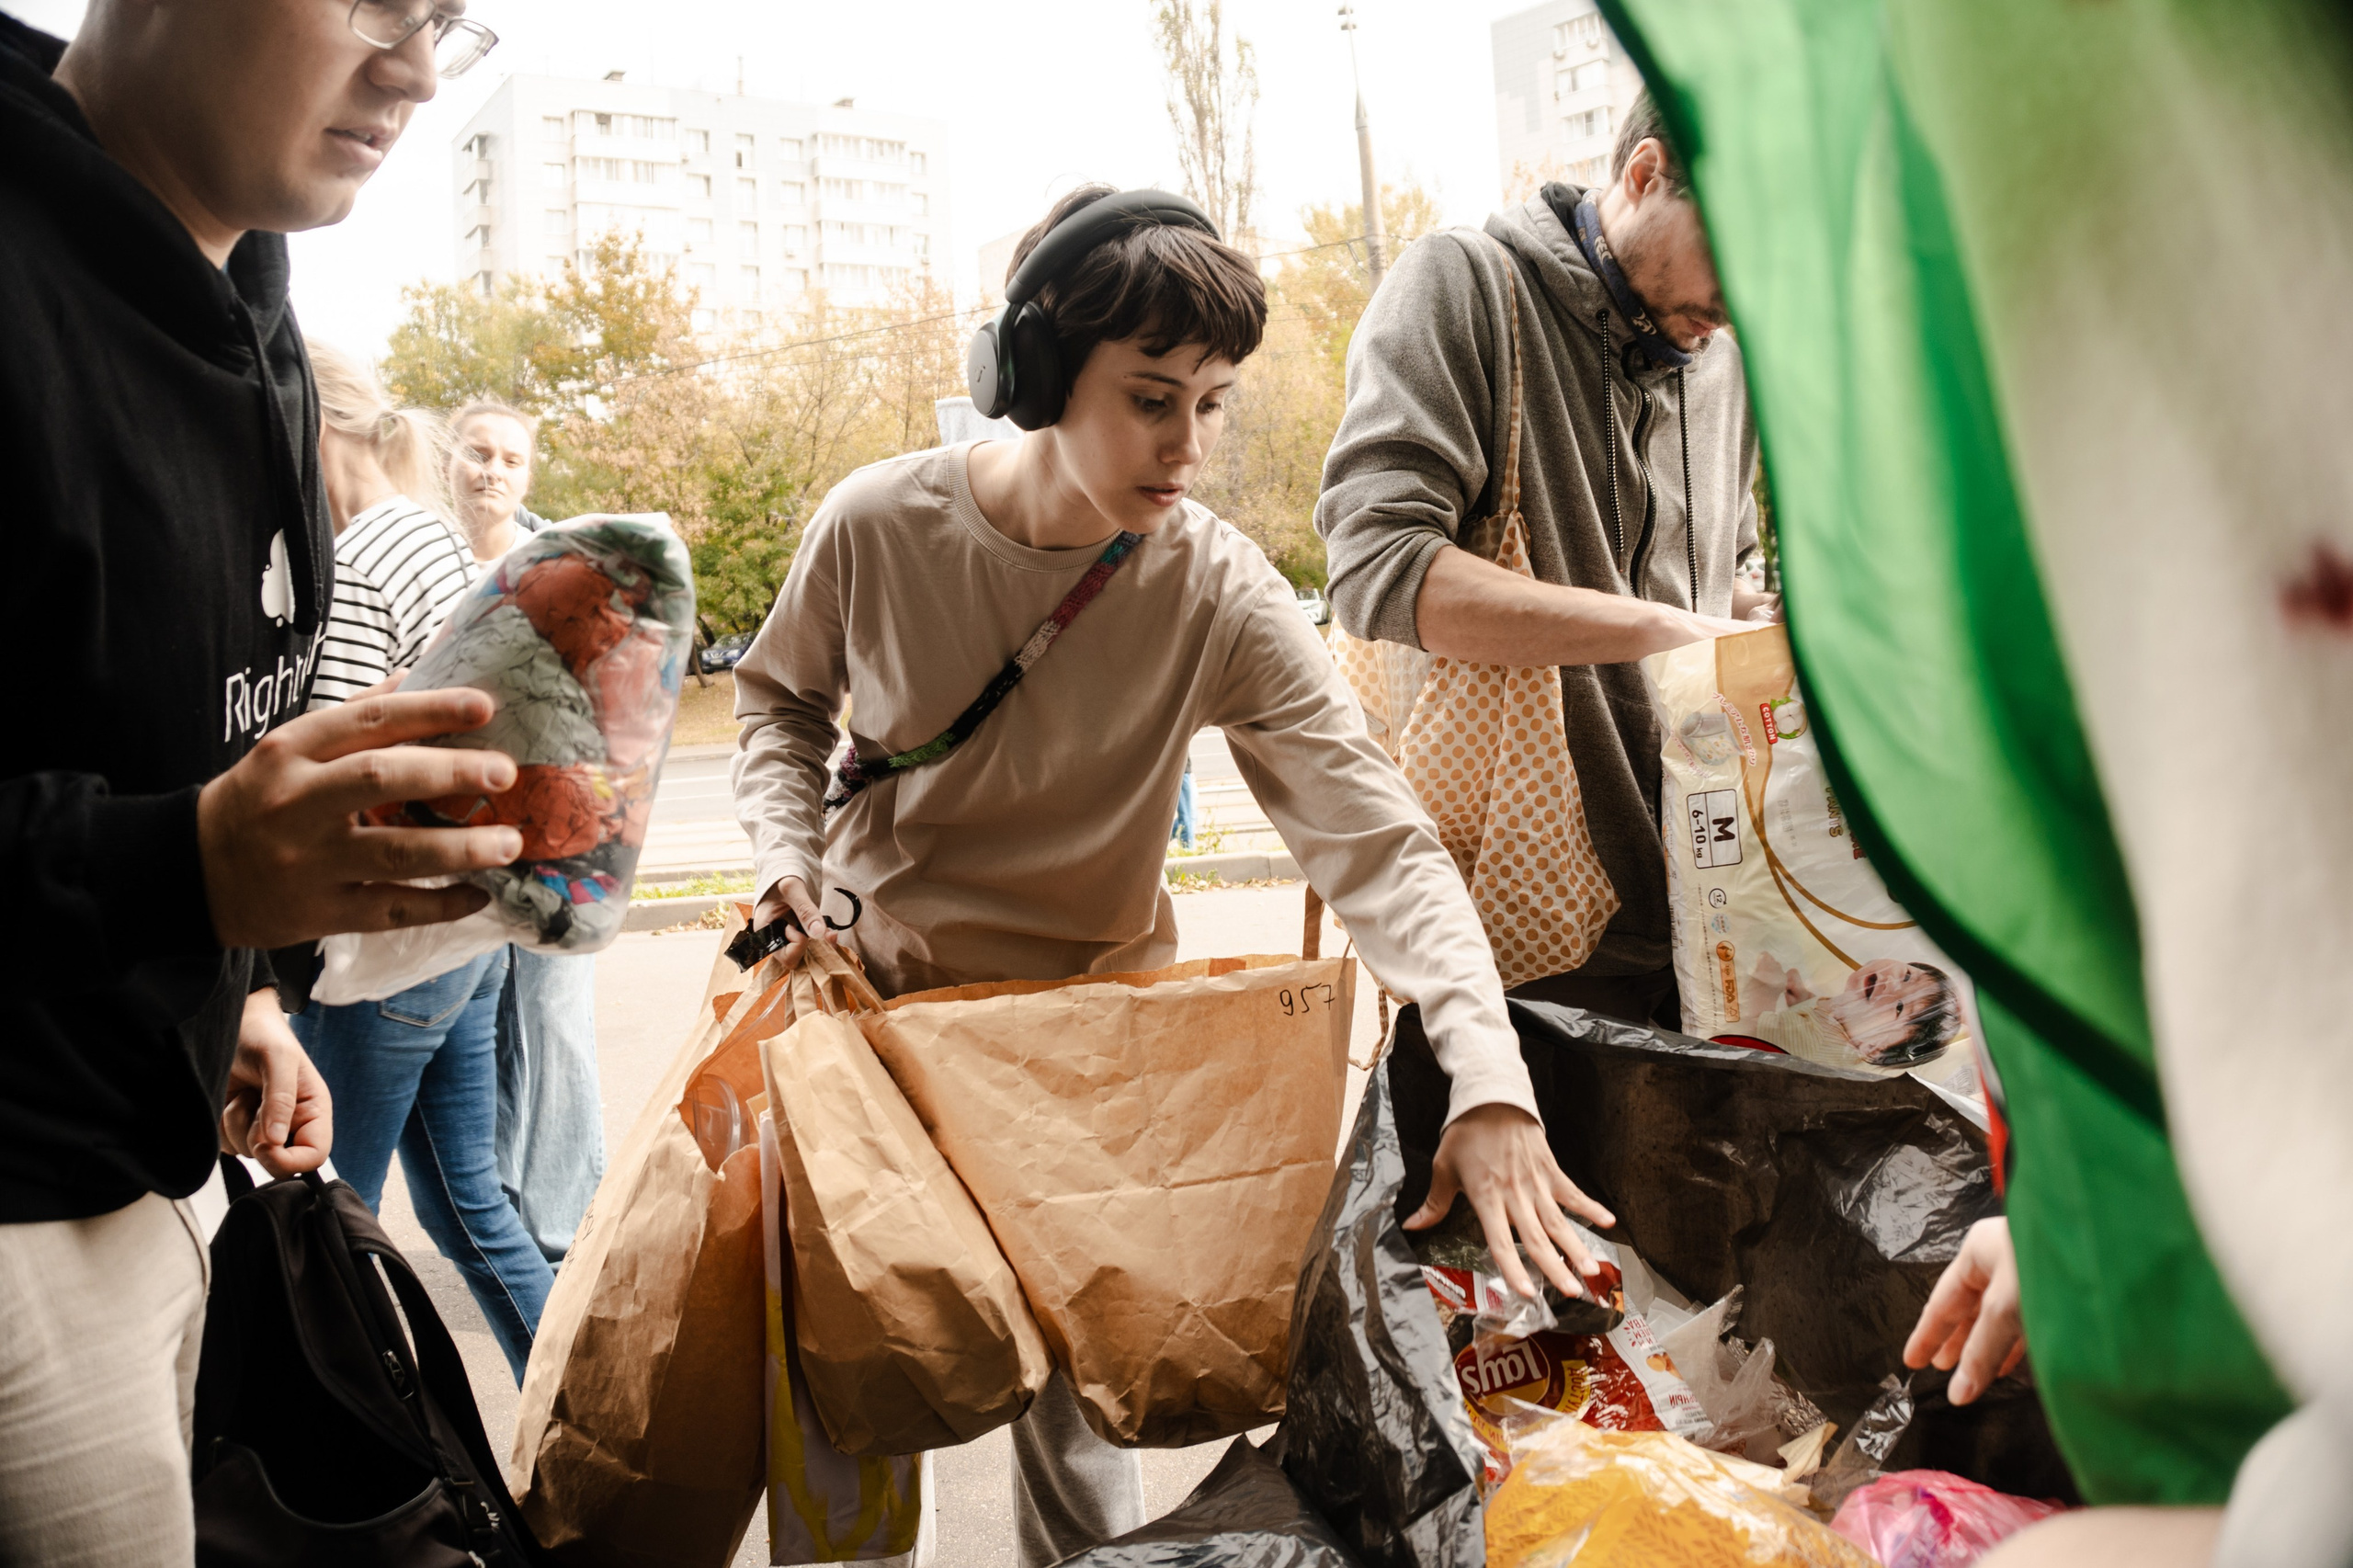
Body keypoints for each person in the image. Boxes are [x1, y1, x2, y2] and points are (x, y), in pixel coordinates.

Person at [733, 184, 1613, 1568]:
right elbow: (777, 703)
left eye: (1211, 403)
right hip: (867, 1032)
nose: (1188, 444)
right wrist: (784, 855)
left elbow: (1378, 837)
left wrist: (1487, 1068)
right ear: (1028, 376)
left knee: (1084, 1434)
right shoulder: (876, 524)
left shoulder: (1220, 589)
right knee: (853, 1409)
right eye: (1153, 397)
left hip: (1086, 1060)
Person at [0, 1, 510, 1561]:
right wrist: (189, 874)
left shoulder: (257, 305)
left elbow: (163, 752)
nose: (417, 72)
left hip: (172, 1179)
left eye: (446, 21)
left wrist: (245, 989)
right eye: (373, 2)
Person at [1317, 92, 1770, 1030]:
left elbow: (1720, 576)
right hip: (1525, 945)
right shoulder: (1465, 285)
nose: (1741, 303)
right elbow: (1375, 566)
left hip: (1718, 926)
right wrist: (1660, 629)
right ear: (1643, 176)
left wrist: (1760, 625)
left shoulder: (1728, 363)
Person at [290, 353, 554, 1383]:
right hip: (462, 933)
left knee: (319, 1208)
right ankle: (580, 1424)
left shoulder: (360, 553)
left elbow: (332, 753)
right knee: (467, 1203)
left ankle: (352, 1467)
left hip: (389, 940)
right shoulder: (434, 538)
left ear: (318, 426)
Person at [450, 400, 608, 1262]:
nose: (493, 470)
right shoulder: (427, 561)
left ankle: (567, 1222)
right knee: (493, 1024)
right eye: (478, 453)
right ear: (451, 461)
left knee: (554, 1016)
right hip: (466, 833)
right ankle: (507, 1202)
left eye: (511, 458)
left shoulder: (560, 568)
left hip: (555, 827)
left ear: (529, 474)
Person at [1738, 953, 1962, 1071]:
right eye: (1907, 976)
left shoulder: (1815, 1039)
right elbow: (1830, 1014)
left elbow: (1746, 1033)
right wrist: (1804, 999)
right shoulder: (1851, 1021)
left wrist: (1763, 987)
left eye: (1899, 1007)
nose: (1891, 984)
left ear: (1874, 1049)